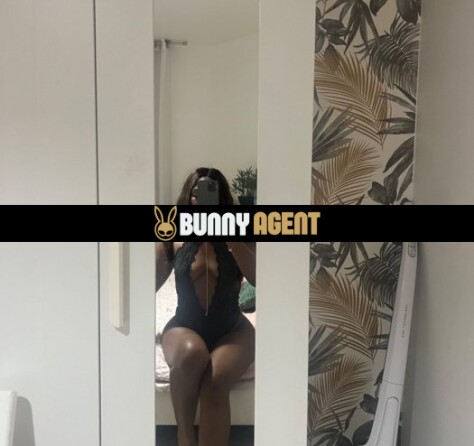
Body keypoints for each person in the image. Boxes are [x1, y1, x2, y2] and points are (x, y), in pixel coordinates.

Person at [155, 167, 256, 446]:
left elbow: (258, 278)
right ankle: (184, 434)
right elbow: (143, 287)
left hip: (233, 329)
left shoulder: (241, 231)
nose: (202, 200)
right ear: (187, 198)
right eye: (197, 193)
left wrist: (231, 236)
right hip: (185, 325)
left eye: (212, 193)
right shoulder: (172, 235)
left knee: (215, 379)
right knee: (191, 354)